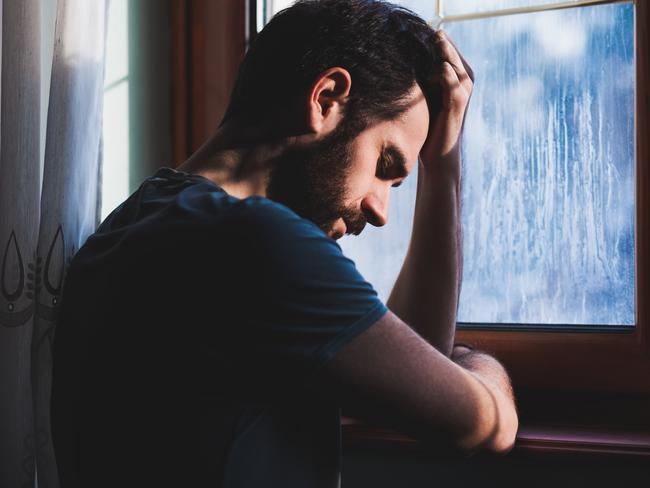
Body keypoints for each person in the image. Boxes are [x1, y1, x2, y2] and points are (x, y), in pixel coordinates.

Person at [51, 1, 518, 487]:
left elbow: (416, 367)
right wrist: (477, 364)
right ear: (327, 98)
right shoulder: (258, 243)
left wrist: (440, 169)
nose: (381, 212)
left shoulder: (134, 223)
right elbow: (482, 425)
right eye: (385, 166)